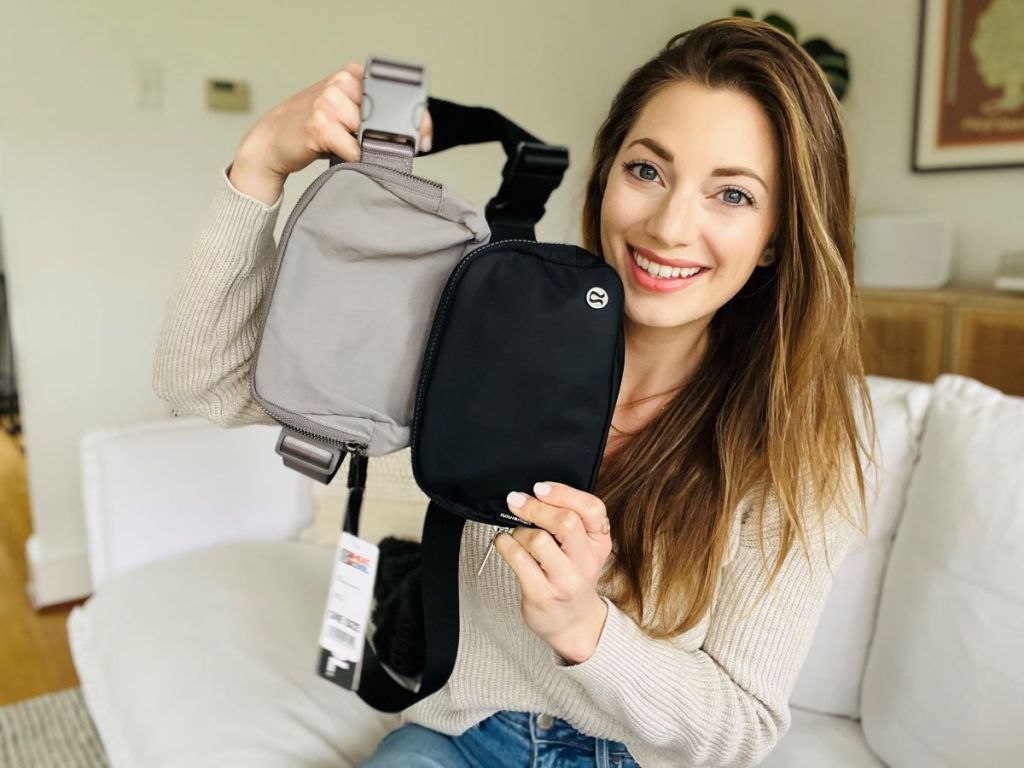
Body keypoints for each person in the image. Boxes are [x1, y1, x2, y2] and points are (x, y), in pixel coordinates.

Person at [154, 16, 875, 768]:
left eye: (732, 195)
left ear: (779, 237)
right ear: (605, 176)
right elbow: (201, 382)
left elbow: (743, 727)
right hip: (458, 738)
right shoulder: (485, 336)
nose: (669, 225)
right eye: (647, 171)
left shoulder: (800, 445)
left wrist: (584, 627)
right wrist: (263, 160)